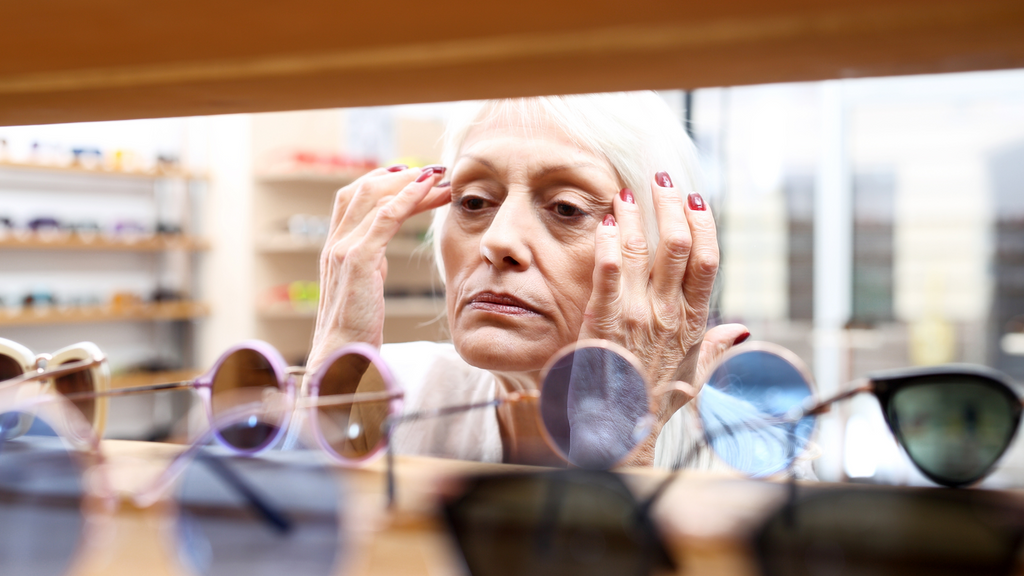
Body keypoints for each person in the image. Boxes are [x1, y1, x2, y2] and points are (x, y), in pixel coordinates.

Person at [307, 92, 751, 468]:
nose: (497, 241)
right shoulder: (386, 393)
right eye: (474, 201)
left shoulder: (745, 453)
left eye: (566, 208)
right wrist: (335, 363)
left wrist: (624, 444)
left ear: (661, 255)